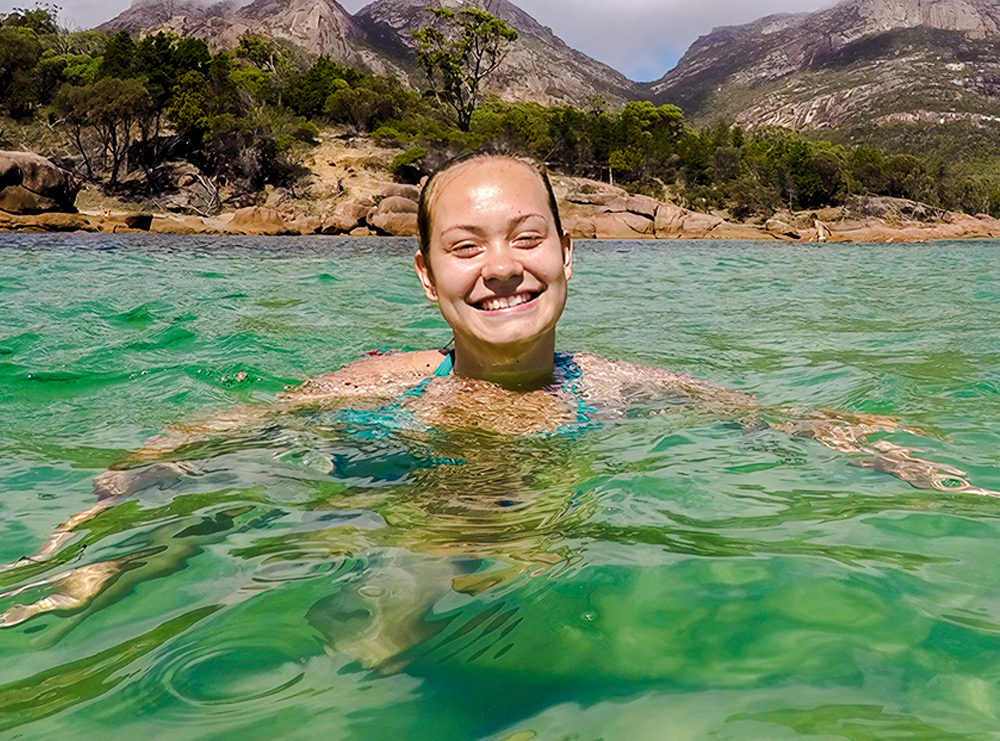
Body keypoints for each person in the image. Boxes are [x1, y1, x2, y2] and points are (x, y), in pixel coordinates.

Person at [1, 152, 992, 630]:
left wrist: (875, 445)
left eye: (527, 238)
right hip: (373, 503)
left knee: (429, 595)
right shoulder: (379, 381)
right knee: (209, 523)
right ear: (426, 277)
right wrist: (135, 481)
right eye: (465, 247)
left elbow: (769, 419)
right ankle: (69, 590)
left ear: (568, 255)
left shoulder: (621, 385)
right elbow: (225, 436)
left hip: (501, 556)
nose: (502, 268)